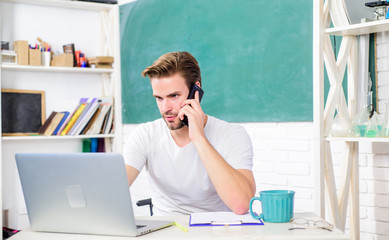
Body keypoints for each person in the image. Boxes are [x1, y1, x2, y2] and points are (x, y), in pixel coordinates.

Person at [123, 51, 255, 215]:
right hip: (165, 231)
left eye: (174, 96)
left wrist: (199, 138)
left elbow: (242, 205)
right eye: (159, 98)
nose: (165, 108)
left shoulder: (232, 135)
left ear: (196, 90)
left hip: (216, 230)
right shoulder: (145, 134)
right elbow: (113, 190)